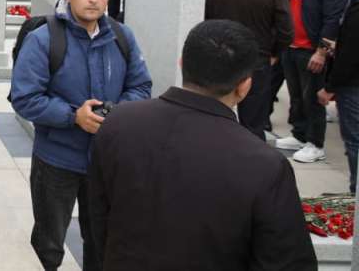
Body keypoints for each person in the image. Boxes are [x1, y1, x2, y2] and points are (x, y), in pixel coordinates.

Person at [88, 20, 316, 270]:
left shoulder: (118, 123)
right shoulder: (264, 165)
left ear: (182, 63)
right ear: (244, 86)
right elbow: (287, 261)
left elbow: (98, 219)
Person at [10, 0, 152, 271]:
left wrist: (116, 114)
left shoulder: (122, 36)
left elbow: (141, 86)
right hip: (56, 159)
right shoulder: (44, 38)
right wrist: (74, 116)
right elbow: (25, 98)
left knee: (101, 241)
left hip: (105, 160)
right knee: (49, 242)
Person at [204, 0, 293, 140]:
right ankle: (251, 156)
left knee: (215, 115)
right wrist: (274, 53)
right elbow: (286, 31)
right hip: (256, 61)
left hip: (219, 58)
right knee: (253, 121)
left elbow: (203, 22)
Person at [272, 0, 348, 162]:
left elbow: (332, 20)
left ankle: (315, 144)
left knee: (312, 99)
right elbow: (277, 4)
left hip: (311, 50)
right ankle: (299, 134)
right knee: (296, 96)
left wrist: (321, 52)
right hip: (290, 47)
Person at [323, 0, 359, 193]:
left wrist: (329, 87)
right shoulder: (352, 3)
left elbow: (350, 58)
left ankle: (355, 189)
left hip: (352, 85)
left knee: (354, 139)